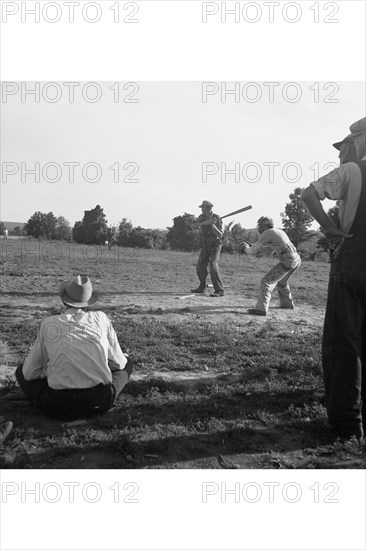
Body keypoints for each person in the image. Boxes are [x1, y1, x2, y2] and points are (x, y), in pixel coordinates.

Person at [301, 116, 366, 441]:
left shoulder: (353, 171)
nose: (348, 149)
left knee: (345, 346)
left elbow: (309, 194)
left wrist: (330, 228)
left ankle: (346, 424)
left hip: (354, 267)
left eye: (353, 142)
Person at [15, 275, 133, 420]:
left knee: (21, 371)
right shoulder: (101, 319)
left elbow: (29, 373)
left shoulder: (48, 323)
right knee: (127, 364)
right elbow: (119, 363)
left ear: (64, 300)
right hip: (98, 402)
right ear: (88, 303)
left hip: (58, 406)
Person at [242, 216, 301, 316]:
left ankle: (261, 309)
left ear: (263, 225)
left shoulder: (267, 232)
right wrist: (256, 247)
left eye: (259, 225)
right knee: (282, 282)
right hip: (296, 259)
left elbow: (253, 251)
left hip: (288, 260)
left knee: (265, 282)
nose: (258, 228)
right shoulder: (277, 231)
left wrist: (246, 248)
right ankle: (287, 304)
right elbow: (271, 250)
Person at [191, 200, 225, 297]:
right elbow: (192, 226)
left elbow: (220, 234)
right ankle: (202, 288)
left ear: (209, 208)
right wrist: (204, 223)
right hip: (205, 244)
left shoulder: (217, 218)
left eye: (203, 207)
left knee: (213, 266)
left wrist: (212, 225)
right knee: (200, 266)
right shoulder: (201, 217)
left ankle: (219, 290)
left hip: (215, 245)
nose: (201, 209)